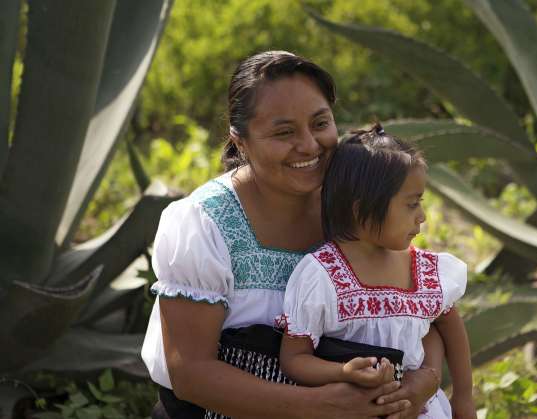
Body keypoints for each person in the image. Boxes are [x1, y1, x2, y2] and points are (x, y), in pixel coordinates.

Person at [140, 51, 443, 418]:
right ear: (240, 141)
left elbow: (418, 312)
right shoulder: (204, 225)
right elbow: (190, 373)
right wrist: (321, 406)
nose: (309, 145)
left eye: (320, 123)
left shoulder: (354, 209)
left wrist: (423, 380)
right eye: (284, 132)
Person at [279, 124, 477, 419]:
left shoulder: (424, 269)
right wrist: (343, 372)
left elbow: (451, 328)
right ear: (361, 210)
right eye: (411, 205)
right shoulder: (323, 275)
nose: (421, 216)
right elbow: (294, 358)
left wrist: (463, 398)